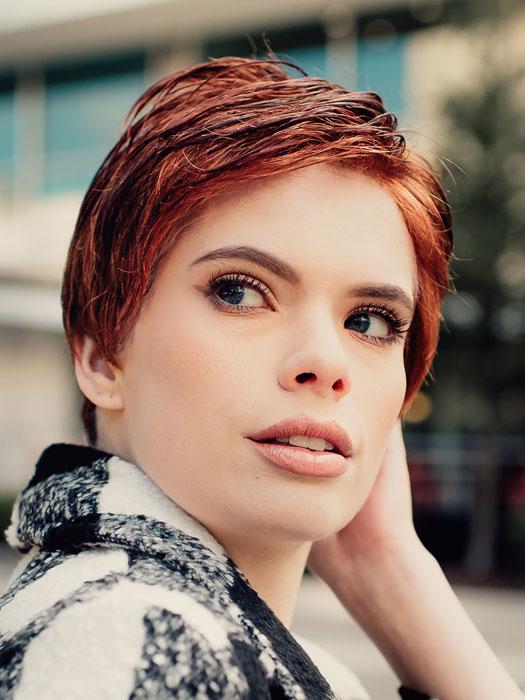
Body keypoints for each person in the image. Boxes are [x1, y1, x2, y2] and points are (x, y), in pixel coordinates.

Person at [0, 55, 522, 700]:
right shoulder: (129, 639)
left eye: (370, 321)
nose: (326, 362)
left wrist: (391, 569)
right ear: (103, 355)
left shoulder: (217, 640)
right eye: (240, 292)